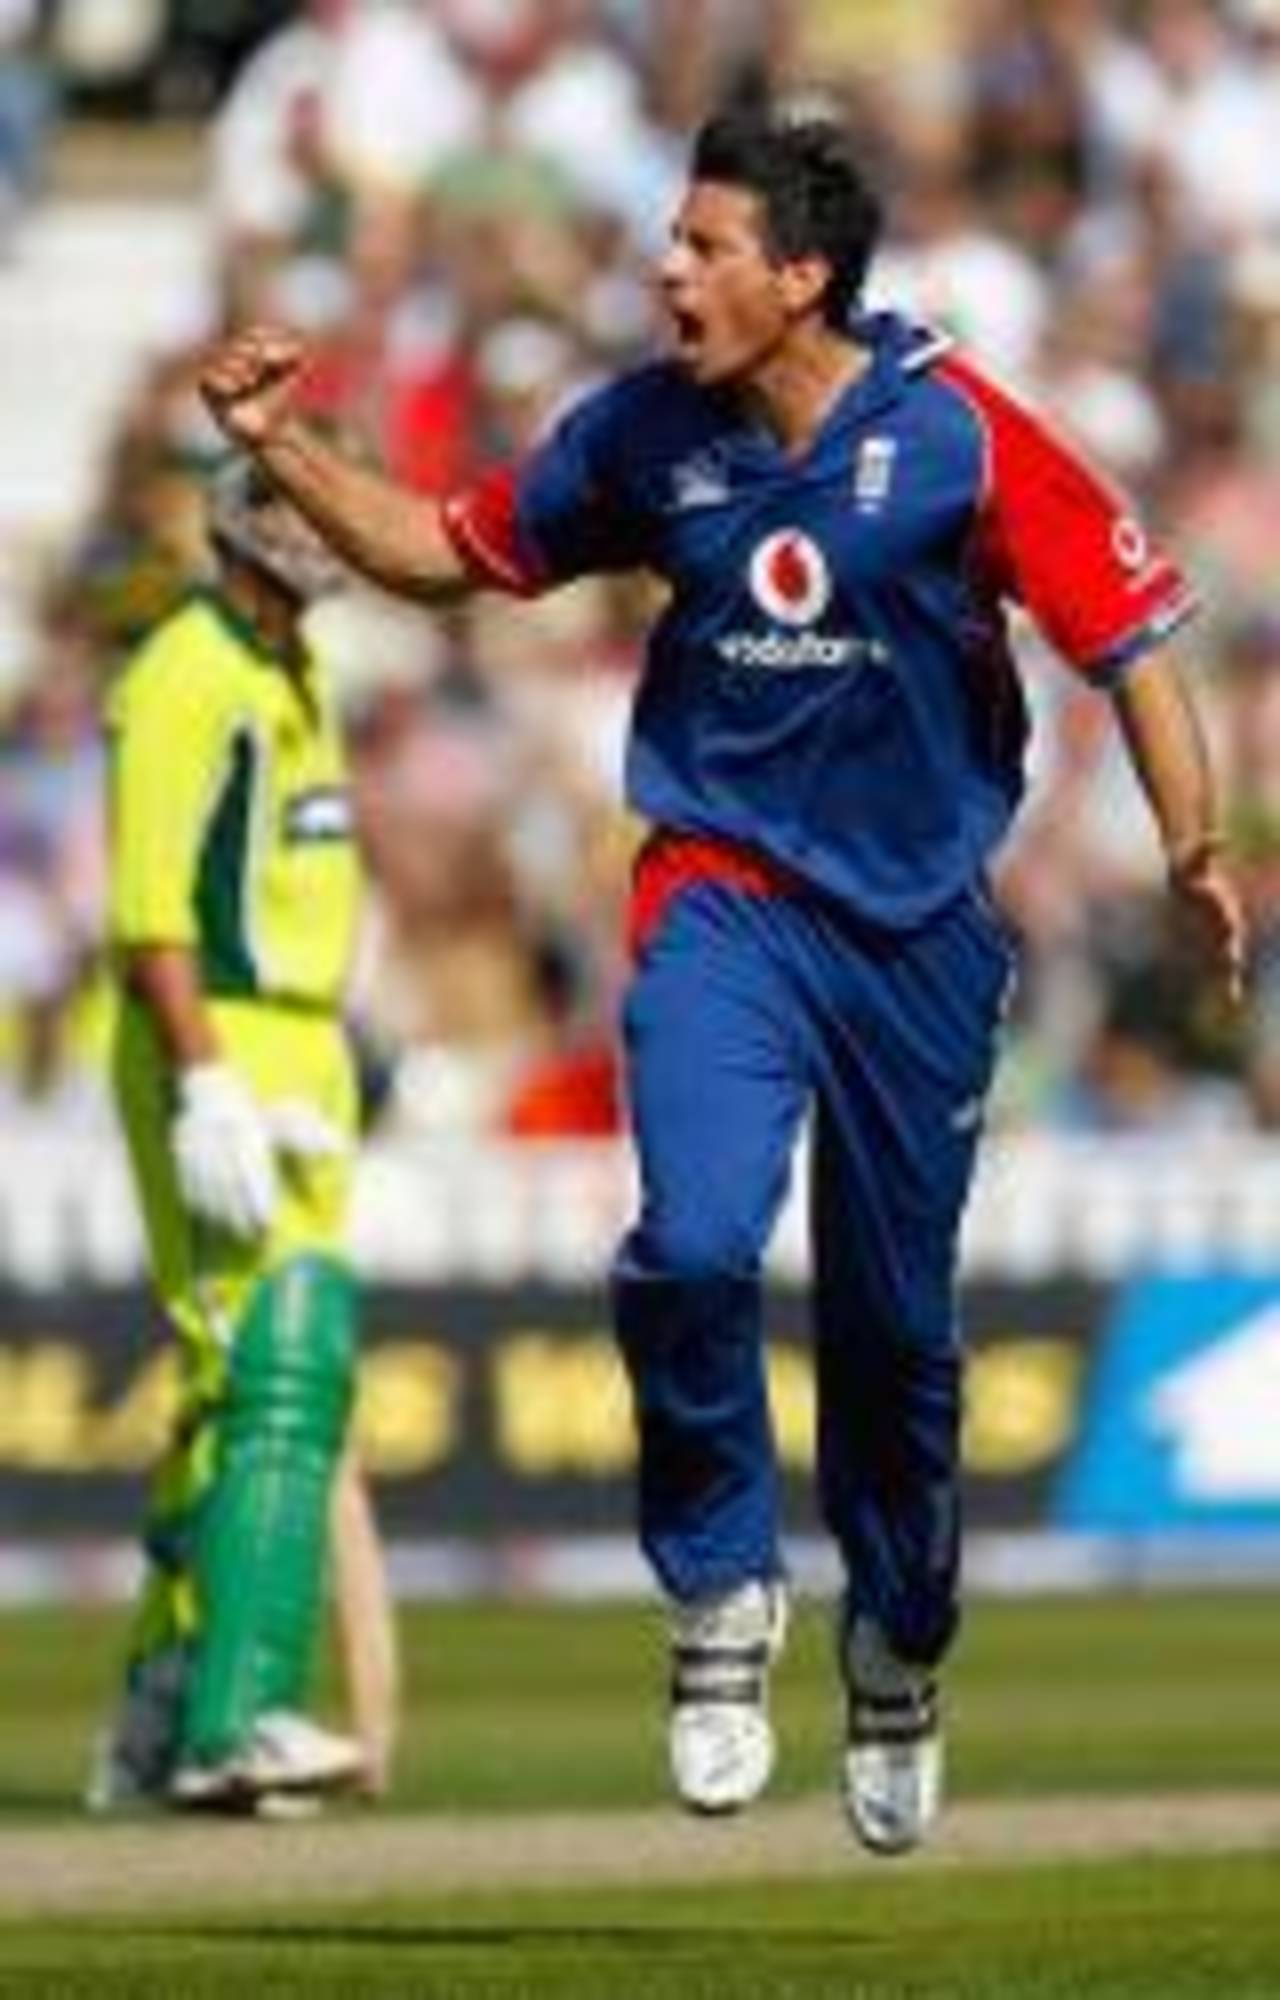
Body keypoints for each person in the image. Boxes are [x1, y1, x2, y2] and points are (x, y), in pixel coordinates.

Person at [199, 104, 1247, 1853]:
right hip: (721, 898)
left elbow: (1131, 644)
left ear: (803, 276)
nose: (663, 269)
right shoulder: (639, 435)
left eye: (702, 247)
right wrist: (278, 441)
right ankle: (717, 1603)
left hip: (916, 932)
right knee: (688, 1243)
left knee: (897, 1341)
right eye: (668, 240)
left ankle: (900, 1644)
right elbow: (442, 554)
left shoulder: (963, 437)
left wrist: (1197, 841)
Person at [90, 459, 384, 1815]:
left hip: (296, 1047)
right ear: (232, 523)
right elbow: (152, 908)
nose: (322, 531)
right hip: (211, 1036)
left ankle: (163, 1710)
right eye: (293, 509)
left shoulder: (293, 668)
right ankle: (239, 1715)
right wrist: (206, 1082)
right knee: (275, 1359)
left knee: (242, 1385)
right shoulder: (187, 672)